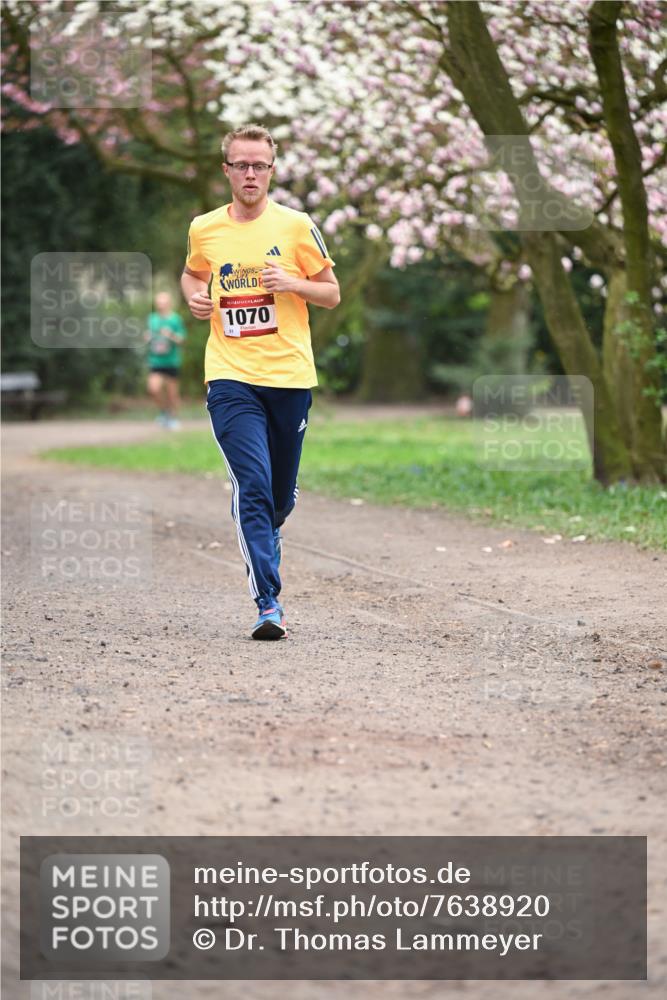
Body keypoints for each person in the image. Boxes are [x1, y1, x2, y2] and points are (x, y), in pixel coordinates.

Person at [180, 123, 340, 639]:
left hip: (289, 376)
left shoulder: (297, 226)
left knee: (278, 498)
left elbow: (331, 292)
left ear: (272, 170)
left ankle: (269, 535)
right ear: (226, 170)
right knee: (251, 484)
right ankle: (268, 602)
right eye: (241, 165)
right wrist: (193, 295)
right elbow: (192, 272)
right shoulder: (204, 227)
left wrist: (291, 282)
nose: (251, 174)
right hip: (230, 376)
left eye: (260, 165)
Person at [145, 291, 187, 430]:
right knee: (153, 388)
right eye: (158, 302)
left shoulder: (175, 319)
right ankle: (164, 412)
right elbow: (146, 336)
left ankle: (172, 418)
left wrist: (170, 335)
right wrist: (147, 337)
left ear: (168, 303)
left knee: (172, 394)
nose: (160, 305)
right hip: (156, 361)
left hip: (171, 361)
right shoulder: (152, 319)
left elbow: (182, 340)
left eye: (162, 302)